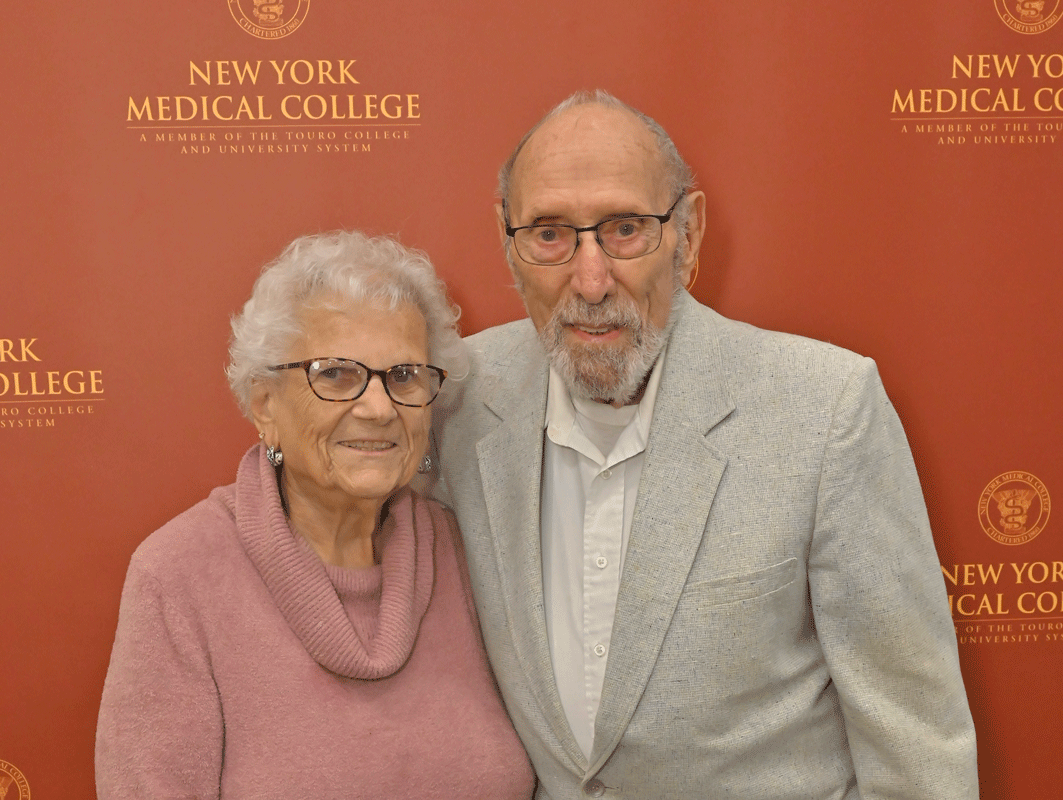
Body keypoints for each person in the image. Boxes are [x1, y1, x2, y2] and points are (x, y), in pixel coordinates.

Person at [434, 91, 978, 799]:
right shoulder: (456, 398)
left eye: (625, 229)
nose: (590, 280)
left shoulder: (823, 407)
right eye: (548, 234)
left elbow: (915, 737)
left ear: (687, 234)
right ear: (506, 241)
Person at [96, 231, 535, 799]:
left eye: (403, 376)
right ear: (265, 404)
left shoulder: (461, 547)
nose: (377, 408)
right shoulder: (179, 575)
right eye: (334, 374)